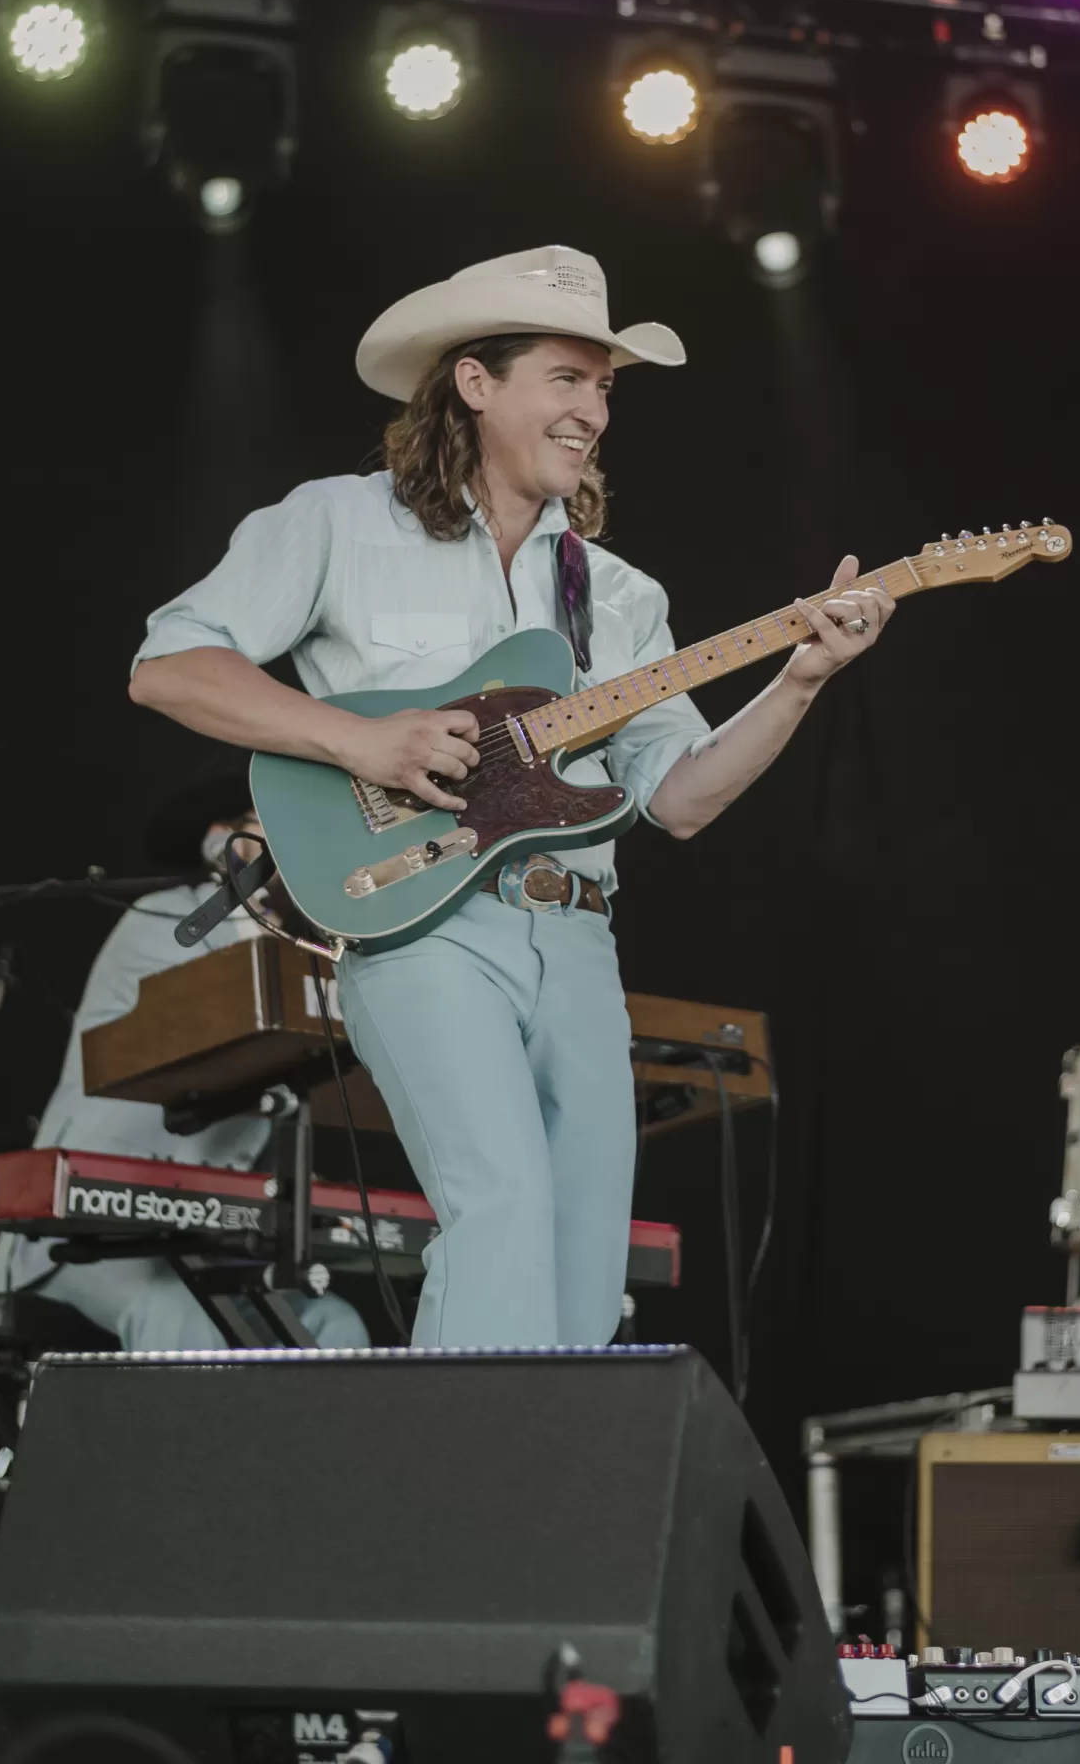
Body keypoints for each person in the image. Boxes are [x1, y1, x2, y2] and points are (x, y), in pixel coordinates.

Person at [128, 245, 893, 1348]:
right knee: (500, 1212)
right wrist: (361, 740)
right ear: (475, 382)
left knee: (585, 1272)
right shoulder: (339, 524)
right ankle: (460, 1468)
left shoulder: (616, 595)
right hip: (423, 924)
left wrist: (801, 681)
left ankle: (536, 1465)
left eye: (606, 387)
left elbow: (680, 799)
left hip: (578, 937)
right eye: (566, 378)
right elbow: (168, 666)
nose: (594, 412)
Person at [0, 767, 369, 1352]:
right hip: (90, 1227)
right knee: (176, 1313)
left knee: (335, 1325)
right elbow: (238, 1012)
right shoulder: (163, 920)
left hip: (208, 1241)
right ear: (219, 840)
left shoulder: (303, 949)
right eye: (276, 822)